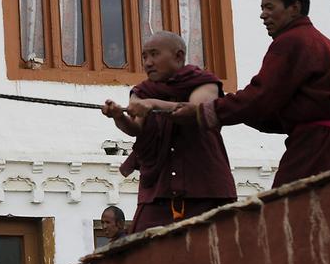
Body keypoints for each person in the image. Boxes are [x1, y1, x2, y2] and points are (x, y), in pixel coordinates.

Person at [173, 0, 330, 187]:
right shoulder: (323, 43)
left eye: (269, 7)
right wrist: (239, 111)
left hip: (314, 148)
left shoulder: (292, 41)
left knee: (286, 209)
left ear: (294, 7)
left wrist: (205, 112)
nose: (263, 14)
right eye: (262, 8)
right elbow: (267, 107)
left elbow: (261, 96)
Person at [101, 31, 236, 233]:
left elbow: (196, 110)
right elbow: (136, 128)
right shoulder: (143, 91)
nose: (148, 63)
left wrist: (155, 104)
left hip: (203, 186)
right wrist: (118, 116)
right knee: (143, 249)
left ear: (178, 56)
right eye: (145, 57)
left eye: (154, 54)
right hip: (158, 190)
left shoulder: (204, 82)